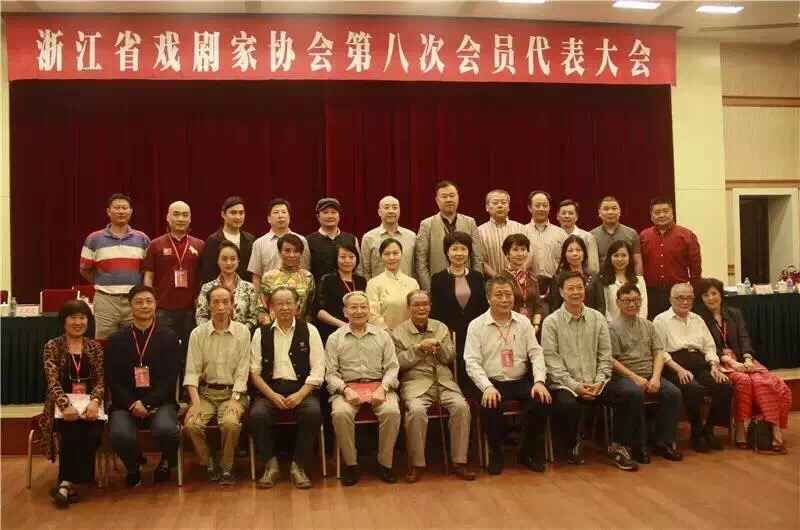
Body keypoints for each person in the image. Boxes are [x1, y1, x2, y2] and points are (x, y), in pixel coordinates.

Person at [542, 271, 639, 471]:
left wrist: (600, 382)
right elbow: (552, 362)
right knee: (567, 404)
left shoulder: (597, 318)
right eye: (570, 288)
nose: (576, 292)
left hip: (597, 382)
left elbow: (605, 355)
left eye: (579, 287)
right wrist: (576, 386)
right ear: (561, 292)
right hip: (566, 384)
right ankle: (572, 445)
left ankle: (619, 446)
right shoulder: (551, 322)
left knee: (632, 392)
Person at [464, 276, 551, 475]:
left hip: (520, 380)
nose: (505, 299)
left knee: (541, 400)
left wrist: (539, 381)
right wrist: (487, 387)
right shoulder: (476, 325)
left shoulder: (524, 322)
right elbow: (471, 361)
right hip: (491, 381)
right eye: (499, 295)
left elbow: (536, 353)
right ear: (488, 298)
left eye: (508, 294)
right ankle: (496, 453)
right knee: (490, 404)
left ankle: (526, 452)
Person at [695, 278, 790, 453]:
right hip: (719, 362)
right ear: (701, 298)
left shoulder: (734, 313)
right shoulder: (698, 319)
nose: (711, 298)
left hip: (742, 359)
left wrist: (747, 358)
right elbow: (706, 347)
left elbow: (744, 338)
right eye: (706, 295)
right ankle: (740, 429)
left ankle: (773, 428)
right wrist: (731, 362)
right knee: (743, 381)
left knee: (766, 382)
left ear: (721, 295)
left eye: (714, 293)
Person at [390, 290, 476, 482]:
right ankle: (417, 464)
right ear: (408, 308)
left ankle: (459, 461)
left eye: (425, 304)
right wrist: (418, 349)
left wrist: (440, 347)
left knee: (461, 407)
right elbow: (398, 363)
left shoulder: (441, 327)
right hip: (415, 383)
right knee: (416, 411)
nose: (421, 308)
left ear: (430, 306)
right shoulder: (398, 332)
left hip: (444, 381)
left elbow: (450, 358)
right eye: (416, 304)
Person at [249, 287, 325, 489]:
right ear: (271, 307)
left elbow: (318, 370)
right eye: (279, 303)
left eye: (288, 303)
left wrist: (300, 395)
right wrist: (272, 395)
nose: (284, 307)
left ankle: (298, 466)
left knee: (312, 412)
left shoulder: (310, 330)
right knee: (257, 415)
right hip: (270, 390)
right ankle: (271, 465)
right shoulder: (260, 333)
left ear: (297, 306)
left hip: (302, 389)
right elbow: (254, 373)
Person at [106, 285, 180, 487]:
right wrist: (132, 403)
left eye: (149, 301)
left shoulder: (169, 337)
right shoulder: (116, 339)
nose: (144, 306)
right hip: (125, 404)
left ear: (156, 305)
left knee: (167, 429)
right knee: (119, 434)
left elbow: (170, 378)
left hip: (160, 402)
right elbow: (113, 379)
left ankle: (166, 462)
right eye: (138, 302)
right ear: (130, 306)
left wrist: (147, 403)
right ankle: (133, 466)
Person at [325, 291, 401, 486]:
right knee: (340, 413)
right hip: (348, 387)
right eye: (353, 307)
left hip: (379, 385)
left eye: (363, 307)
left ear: (369, 310)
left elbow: (392, 368)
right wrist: (344, 389)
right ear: (345, 312)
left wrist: (383, 387)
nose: (359, 311)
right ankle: (351, 465)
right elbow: (330, 373)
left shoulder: (383, 335)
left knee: (391, 411)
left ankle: (385, 464)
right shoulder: (334, 338)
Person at [608, 283, 683, 463]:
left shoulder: (648, 325)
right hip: (624, 376)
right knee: (634, 393)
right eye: (627, 300)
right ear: (618, 303)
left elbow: (659, 352)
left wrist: (656, 377)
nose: (632, 304)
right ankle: (635, 445)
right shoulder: (611, 328)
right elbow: (611, 360)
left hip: (649, 374)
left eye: (636, 300)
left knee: (673, 393)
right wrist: (634, 378)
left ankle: (664, 442)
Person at [183, 285, 251, 485]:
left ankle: (227, 466)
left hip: (233, 393)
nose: (221, 307)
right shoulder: (197, 333)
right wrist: (195, 403)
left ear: (232, 305)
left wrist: (235, 399)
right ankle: (208, 462)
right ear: (209, 306)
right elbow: (191, 372)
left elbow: (243, 371)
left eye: (225, 302)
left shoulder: (243, 332)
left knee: (230, 423)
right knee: (191, 424)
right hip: (205, 393)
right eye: (216, 302)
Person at [40, 300, 105, 507]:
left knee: (92, 432)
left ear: (88, 321)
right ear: (64, 321)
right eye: (73, 317)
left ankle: (65, 484)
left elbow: (101, 380)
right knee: (70, 432)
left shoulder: (95, 347)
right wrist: (65, 405)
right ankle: (69, 484)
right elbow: (52, 381)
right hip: (61, 407)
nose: (78, 322)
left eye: (82, 318)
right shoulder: (52, 346)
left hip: (90, 405)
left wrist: (95, 402)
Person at [653, 283, 732, 453]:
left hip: (699, 362)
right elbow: (660, 351)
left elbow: (709, 347)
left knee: (724, 385)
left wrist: (714, 366)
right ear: (671, 299)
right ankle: (696, 433)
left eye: (689, 298)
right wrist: (679, 369)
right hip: (674, 365)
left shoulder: (697, 319)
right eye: (680, 298)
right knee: (693, 388)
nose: (685, 302)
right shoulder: (661, 320)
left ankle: (708, 429)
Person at [79, 193, 150, 339]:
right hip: (105, 300)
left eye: (124, 208)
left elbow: (149, 270)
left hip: (134, 300)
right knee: (104, 342)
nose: (121, 211)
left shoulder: (142, 239)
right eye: (117, 208)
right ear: (108, 211)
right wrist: (103, 283)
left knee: (136, 341)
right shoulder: (94, 239)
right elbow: (85, 269)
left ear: (131, 211)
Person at [429, 231, 488, 396]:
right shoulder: (438, 279)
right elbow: (436, 313)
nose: (459, 253)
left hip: (475, 334)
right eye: (454, 249)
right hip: (450, 336)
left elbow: (483, 308)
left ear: (469, 252)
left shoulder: (477, 277)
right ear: (447, 252)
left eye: (463, 249)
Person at [143, 201, 204, 357]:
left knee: (189, 353)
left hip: (190, 310)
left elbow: (203, 277)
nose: (181, 219)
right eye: (176, 214)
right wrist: (149, 302)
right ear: (168, 218)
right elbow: (148, 276)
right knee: (163, 352)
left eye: (185, 215)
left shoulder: (200, 245)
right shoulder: (155, 245)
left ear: (190, 219)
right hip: (163, 309)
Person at [640, 197, 702, 319]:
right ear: (651, 216)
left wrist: (693, 291)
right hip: (651, 293)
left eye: (665, 211)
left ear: (672, 213)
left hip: (679, 294)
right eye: (657, 212)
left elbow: (696, 267)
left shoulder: (687, 235)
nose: (662, 215)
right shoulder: (644, 236)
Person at [416, 180, 483, 291]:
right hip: (438, 286)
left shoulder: (470, 222)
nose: (449, 199)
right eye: (444, 196)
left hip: (467, 285)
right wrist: (430, 290)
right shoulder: (426, 225)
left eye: (452, 195)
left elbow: (477, 257)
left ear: (458, 197)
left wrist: (476, 284)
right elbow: (421, 262)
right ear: (437, 200)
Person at [248, 198, 311, 294]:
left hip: (296, 296)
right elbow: (256, 276)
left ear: (289, 217)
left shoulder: (301, 240)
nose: (280, 216)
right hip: (269, 296)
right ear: (269, 219)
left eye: (284, 212)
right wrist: (259, 299)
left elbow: (305, 270)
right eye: (276, 212)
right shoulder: (259, 243)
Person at [196, 240, 258, 331]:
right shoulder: (207, 288)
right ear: (217, 261)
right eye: (224, 259)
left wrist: (241, 331)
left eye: (233, 259)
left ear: (238, 261)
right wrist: (212, 332)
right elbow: (201, 316)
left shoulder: (249, 288)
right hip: (213, 335)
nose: (229, 263)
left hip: (241, 336)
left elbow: (253, 317)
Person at [256, 233, 316, 325]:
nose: (291, 255)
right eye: (287, 251)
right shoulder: (268, 277)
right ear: (280, 252)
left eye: (296, 251)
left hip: (300, 327)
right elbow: (261, 308)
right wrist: (268, 327)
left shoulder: (307, 277)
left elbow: (311, 309)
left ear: (301, 253)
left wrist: (304, 327)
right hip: (273, 327)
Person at [314, 243, 367, 342]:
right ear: (336, 259)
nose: (347, 260)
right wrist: (342, 325)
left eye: (351, 257)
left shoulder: (361, 281)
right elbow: (318, 311)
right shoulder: (327, 280)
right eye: (343, 257)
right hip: (333, 332)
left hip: (359, 332)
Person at [198, 196, 256, 285]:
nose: (238, 217)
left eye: (241, 213)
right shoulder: (213, 240)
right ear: (223, 214)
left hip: (245, 290)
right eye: (233, 213)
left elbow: (253, 272)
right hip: (219, 290)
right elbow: (208, 274)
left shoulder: (250, 240)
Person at [366, 238, 420, 330]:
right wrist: (388, 333)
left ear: (401, 254)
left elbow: (417, 310)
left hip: (410, 333)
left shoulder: (412, 283)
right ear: (381, 256)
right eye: (387, 254)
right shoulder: (373, 283)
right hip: (383, 334)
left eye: (395, 253)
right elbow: (373, 315)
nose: (391, 257)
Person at [523, 190, 567, 302]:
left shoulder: (561, 233)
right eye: (537, 205)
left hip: (556, 286)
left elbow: (566, 261)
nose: (541, 208)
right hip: (528, 287)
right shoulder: (521, 232)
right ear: (529, 208)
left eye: (545, 205)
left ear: (549, 207)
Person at [360, 195, 416, 280]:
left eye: (395, 208)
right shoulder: (369, 238)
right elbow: (365, 271)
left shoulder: (411, 237)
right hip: (378, 287)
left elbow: (416, 268)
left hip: (407, 287)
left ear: (399, 211)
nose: (391, 211)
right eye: (386, 208)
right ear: (379, 212)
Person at [306, 197, 361, 283]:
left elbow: (358, 269)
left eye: (333, 212)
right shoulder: (308, 241)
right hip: (320, 289)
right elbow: (306, 271)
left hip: (347, 289)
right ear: (318, 216)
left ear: (339, 215)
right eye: (325, 212)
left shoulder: (351, 239)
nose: (330, 216)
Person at [496, 233, 544, 331]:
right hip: (508, 328)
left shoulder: (532, 277)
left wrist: (536, 326)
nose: (520, 254)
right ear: (507, 253)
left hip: (531, 328)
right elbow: (499, 307)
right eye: (515, 249)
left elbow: (538, 305)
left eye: (523, 249)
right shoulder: (500, 279)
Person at [548, 235, 604, 314]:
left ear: (584, 253)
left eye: (578, 250)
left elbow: (601, 306)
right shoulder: (557, 278)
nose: (575, 254)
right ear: (564, 254)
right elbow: (554, 308)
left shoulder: (593, 277)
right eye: (570, 251)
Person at [477, 189, 525, 278]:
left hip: (518, 280)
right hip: (491, 281)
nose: (500, 205)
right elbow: (481, 261)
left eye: (503, 202)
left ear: (509, 207)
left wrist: (516, 275)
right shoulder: (479, 231)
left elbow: (527, 255)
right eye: (495, 203)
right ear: (487, 207)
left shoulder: (520, 228)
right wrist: (497, 277)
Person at [590, 196, 643, 275]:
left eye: (614, 208)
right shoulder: (591, 235)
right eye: (606, 209)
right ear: (599, 213)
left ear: (619, 211)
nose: (610, 212)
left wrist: (639, 279)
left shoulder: (632, 233)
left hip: (627, 280)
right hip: (602, 279)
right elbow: (591, 265)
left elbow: (637, 262)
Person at [599, 240, 648, 322]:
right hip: (612, 326)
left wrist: (638, 325)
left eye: (624, 255)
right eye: (616, 255)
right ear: (610, 258)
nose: (620, 259)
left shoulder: (639, 280)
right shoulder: (603, 281)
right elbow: (605, 309)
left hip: (636, 326)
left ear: (629, 257)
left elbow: (643, 307)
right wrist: (612, 326)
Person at [556, 199, 600, 273]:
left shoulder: (588, 237)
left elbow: (593, 267)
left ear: (576, 217)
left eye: (570, 213)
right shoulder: (553, 236)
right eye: (563, 213)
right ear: (557, 216)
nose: (567, 216)